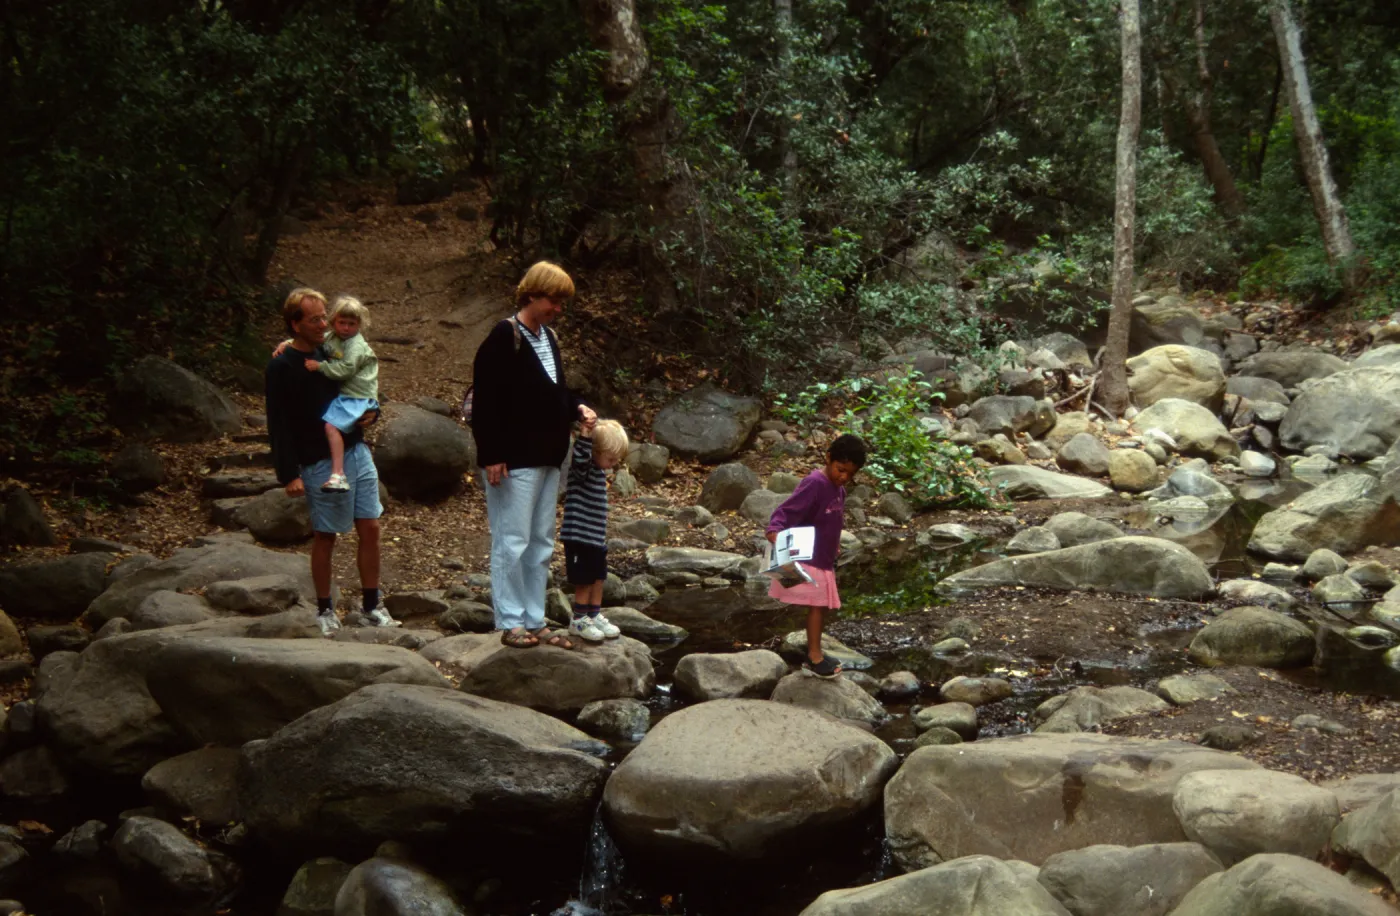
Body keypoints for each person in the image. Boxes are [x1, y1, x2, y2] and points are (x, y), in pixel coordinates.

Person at [470, 262, 596, 649]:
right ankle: (509, 621)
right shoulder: (504, 335)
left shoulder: (548, 337)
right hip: (514, 458)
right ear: (532, 295)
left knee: (540, 540)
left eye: (561, 302)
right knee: (512, 539)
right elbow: (486, 400)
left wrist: (578, 407)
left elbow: (554, 391)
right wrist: (492, 454)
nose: (558, 308)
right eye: (553, 300)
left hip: (548, 455)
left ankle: (533, 617)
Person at [266, 287, 399, 636]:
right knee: (326, 534)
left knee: (370, 527)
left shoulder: (332, 348)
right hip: (317, 460)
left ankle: (372, 603)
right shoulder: (282, 365)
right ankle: (325, 608)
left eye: (325, 316)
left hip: (356, 450)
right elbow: (277, 421)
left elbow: (360, 382)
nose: (324, 323)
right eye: (315, 319)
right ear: (296, 325)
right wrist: (288, 473)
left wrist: (373, 412)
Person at [764, 434, 868, 677]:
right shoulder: (815, 482)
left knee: (821, 607)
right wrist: (775, 528)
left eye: (850, 474)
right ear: (828, 458)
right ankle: (814, 657)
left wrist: (834, 546)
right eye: (841, 469)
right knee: (818, 606)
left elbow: (832, 520)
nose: (844, 477)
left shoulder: (839, 489)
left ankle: (815, 651)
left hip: (823, 557)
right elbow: (790, 508)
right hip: (808, 557)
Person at [560, 418, 629, 643]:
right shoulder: (583, 467)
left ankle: (593, 614)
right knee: (585, 579)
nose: (613, 464)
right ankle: (579, 620)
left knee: (599, 577)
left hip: (595, 538)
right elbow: (580, 457)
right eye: (610, 458)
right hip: (579, 536)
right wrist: (586, 436)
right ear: (595, 451)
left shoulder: (599, 470)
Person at [306, 296, 378, 493]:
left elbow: (346, 369)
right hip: (348, 394)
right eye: (342, 323)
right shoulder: (333, 338)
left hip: (357, 395)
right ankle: (339, 473)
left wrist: (321, 366)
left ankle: (338, 474)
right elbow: (313, 342)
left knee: (331, 426)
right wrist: (287, 343)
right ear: (334, 322)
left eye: (352, 324)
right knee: (332, 426)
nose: (346, 328)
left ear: (359, 325)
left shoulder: (356, 345)